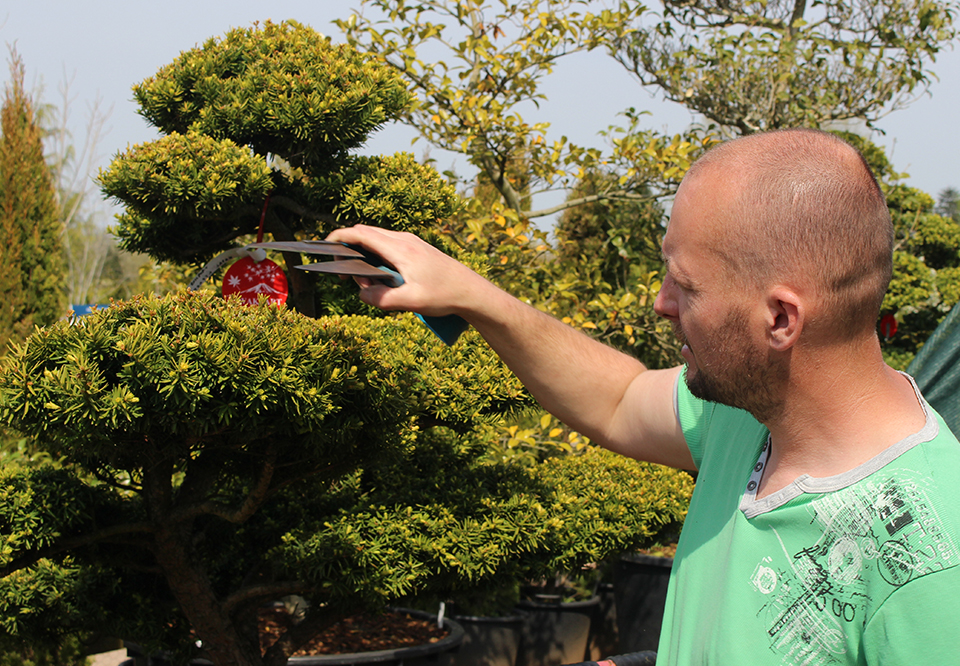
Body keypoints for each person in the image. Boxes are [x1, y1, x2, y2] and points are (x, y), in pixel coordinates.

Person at [328, 128, 960, 665]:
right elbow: (620, 398)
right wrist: (472, 294)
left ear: (780, 321)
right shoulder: (751, 414)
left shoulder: (932, 567)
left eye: (686, 285)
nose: (661, 303)